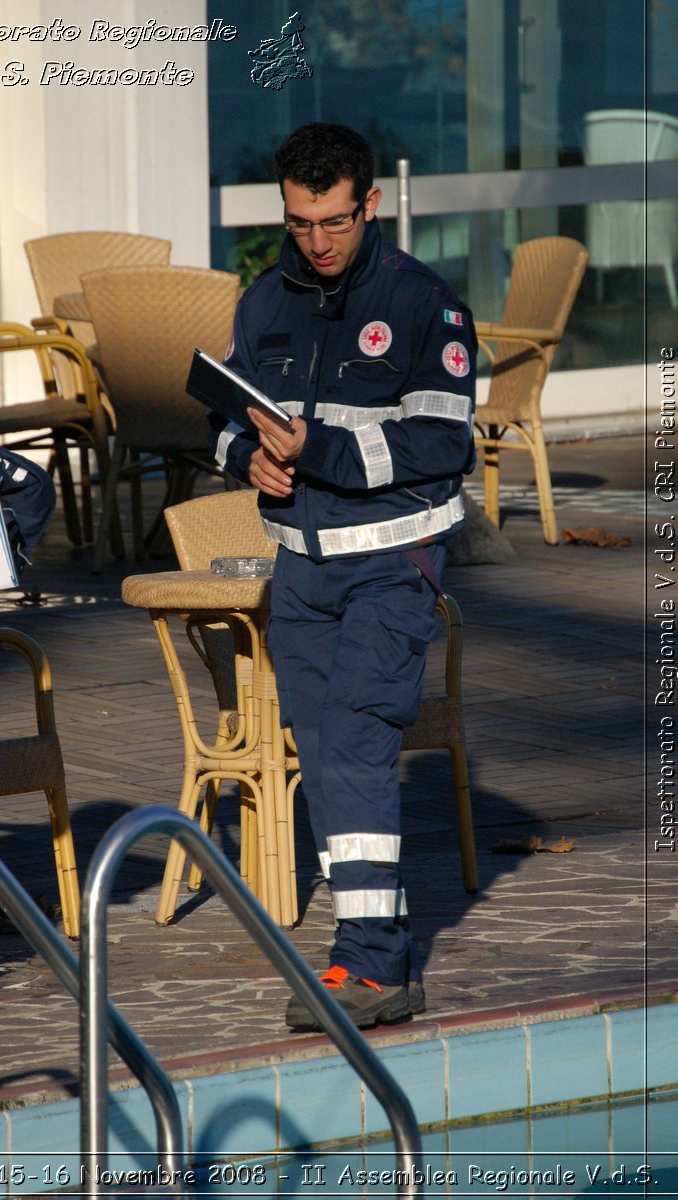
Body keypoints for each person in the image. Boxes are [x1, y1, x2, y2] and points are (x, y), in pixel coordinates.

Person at [211, 123, 477, 1030]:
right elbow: (226, 414)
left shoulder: (422, 304)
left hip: (391, 565)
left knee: (358, 744)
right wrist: (247, 455)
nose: (316, 242)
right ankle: (372, 951)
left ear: (369, 203)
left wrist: (315, 451)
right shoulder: (264, 301)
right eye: (298, 223)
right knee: (323, 756)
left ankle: (370, 966)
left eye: (332, 221)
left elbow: (444, 444)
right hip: (303, 572)